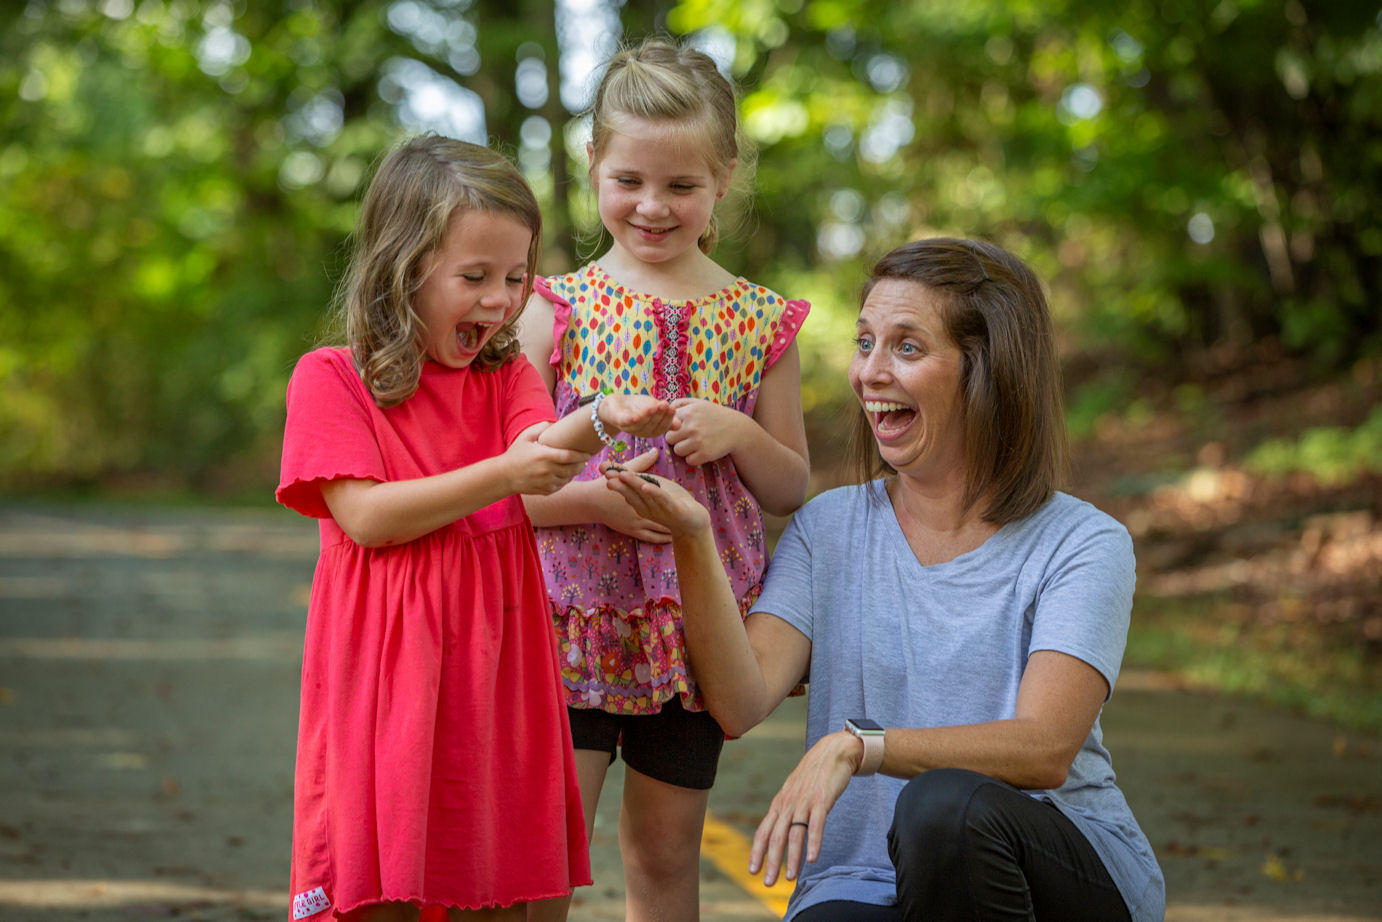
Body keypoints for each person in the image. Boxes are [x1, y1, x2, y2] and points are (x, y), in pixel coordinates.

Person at [603, 237, 1167, 921]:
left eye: (906, 347)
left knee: (944, 809)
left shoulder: (1081, 542)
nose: (869, 372)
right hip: (865, 879)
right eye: (864, 342)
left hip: (1057, 874)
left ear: (989, 369)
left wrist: (862, 748)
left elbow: (1045, 748)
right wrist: (694, 536)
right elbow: (739, 699)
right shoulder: (830, 528)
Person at [275, 134, 677, 922]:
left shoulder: (507, 375)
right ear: (405, 265)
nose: (501, 301)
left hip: (496, 675)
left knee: (491, 880)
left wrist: (601, 416)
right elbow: (368, 517)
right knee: (382, 876)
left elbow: (539, 446)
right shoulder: (333, 379)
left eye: (517, 278)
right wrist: (500, 477)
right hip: (386, 685)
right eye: (475, 277)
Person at [516, 36, 811, 922]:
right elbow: (508, 480)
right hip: (565, 619)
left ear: (723, 179)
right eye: (630, 180)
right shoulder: (553, 306)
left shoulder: (762, 322)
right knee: (548, 846)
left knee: (663, 847)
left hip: (694, 632)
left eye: (681, 186)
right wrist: (593, 500)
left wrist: (736, 434)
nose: (653, 206)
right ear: (595, 165)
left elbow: (791, 484)